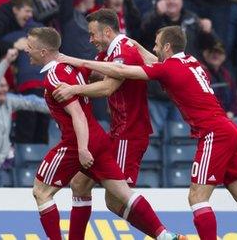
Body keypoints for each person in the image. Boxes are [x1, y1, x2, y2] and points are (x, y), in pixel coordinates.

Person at [59, 26, 237, 240]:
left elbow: (123, 70)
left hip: (214, 133)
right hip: (229, 129)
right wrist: (136, 45)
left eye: (157, 45)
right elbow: (156, 61)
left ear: (167, 46)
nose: (154, 49)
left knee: (197, 198)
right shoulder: (189, 62)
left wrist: (77, 60)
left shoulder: (169, 69)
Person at [23, 27, 183, 240]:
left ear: (43, 52)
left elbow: (78, 115)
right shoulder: (72, 67)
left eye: (30, 47)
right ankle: (165, 235)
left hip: (76, 142)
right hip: (99, 139)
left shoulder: (53, 76)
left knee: (41, 191)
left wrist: (81, 149)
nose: (26, 50)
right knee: (103, 190)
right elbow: (97, 74)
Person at [51, 9, 152, 239]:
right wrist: (59, 73)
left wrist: (74, 89)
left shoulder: (124, 49)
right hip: (117, 131)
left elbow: (108, 87)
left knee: (115, 198)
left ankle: (165, 235)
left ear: (107, 32)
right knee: (79, 184)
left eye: (93, 34)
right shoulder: (109, 52)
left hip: (130, 133)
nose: (91, 39)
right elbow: (90, 72)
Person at [0, 48, 48, 187]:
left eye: (5, 86)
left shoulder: (8, 101)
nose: (4, 89)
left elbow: (32, 102)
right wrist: (6, 62)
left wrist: (64, 106)